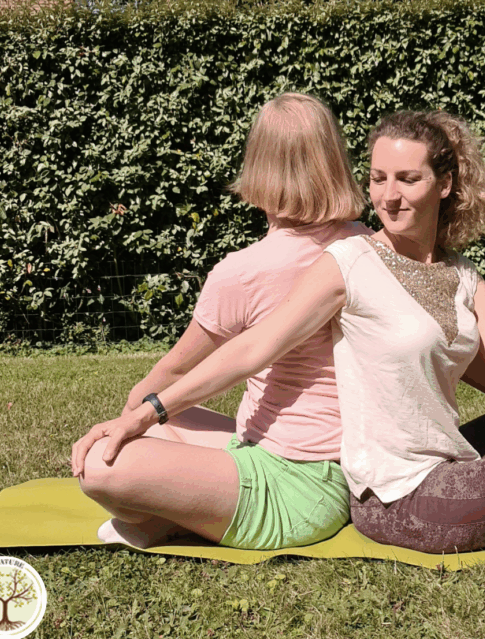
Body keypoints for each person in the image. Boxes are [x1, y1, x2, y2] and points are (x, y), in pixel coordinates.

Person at [73, 109, 485, 559]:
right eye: (378, 178)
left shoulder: (464, 278)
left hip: (427, 466)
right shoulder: (350, 258)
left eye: (408, 178)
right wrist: (146, 413)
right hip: (391, 493)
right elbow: (254, 348)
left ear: (445, 184)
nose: (389, 195)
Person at [70, 92, 372, 551]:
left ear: (258, 164)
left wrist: (125, 422)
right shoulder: (366, 242)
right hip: (337, 465)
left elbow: (170, 373)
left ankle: (171, 517)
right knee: (153, 420)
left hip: (297, 490)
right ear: (333, 159)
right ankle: (176, 512)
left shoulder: (246, 270)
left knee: (100, 463)